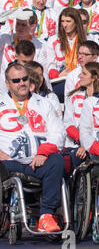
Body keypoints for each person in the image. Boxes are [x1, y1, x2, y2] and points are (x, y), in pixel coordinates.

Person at [0, 63, 65, 233]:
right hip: (9, 163)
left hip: (37, 161)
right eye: (16, 80)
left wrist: (44, 152)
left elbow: (58, 132)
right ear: (7, 83)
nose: (21, 83)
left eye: (24, 79)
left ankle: (46, 216)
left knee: (57, 160)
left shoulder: (43, 103)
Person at [64, 62, 99, 170]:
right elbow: (68, 125)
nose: (79, 76)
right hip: (76, 144)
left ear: (94, 77)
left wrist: (89, 144)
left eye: (84, 74)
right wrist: (83, 142)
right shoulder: (73, 96)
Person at [0, 9, 48, 95]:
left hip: (27, 89)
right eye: (18, 24)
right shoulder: (5, 39)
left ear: (32, 26)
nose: (19, 28)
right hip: (3, 89)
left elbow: (43, 74)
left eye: (23, 25)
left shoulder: (40, 46)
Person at [45, 7, 87, 102]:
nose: (65, 25)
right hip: (60, 79)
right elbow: (50, 64)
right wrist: (57, 75)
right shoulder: (53, 40)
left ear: (76, 22)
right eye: (62, 21)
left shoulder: (86, 40)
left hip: (80, 78)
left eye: (68, 21)